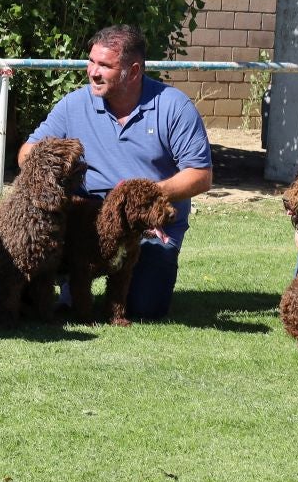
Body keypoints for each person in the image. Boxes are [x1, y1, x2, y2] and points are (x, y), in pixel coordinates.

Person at [19, 23, 211, 320]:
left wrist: (139, 197)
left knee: (145, 308)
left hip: (147, 226)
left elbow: (200, 175)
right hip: (85, 222)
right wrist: (59, 166)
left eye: (105, 65)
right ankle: (65, 282)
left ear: (133, 71)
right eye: (91, 61)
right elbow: (26, 154)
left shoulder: (174, 107)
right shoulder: (74, 105)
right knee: (30, 284)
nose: (93, 72)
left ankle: (84, 284)